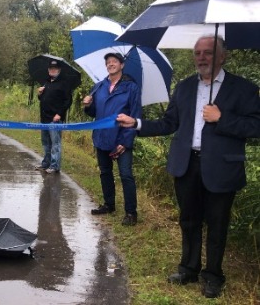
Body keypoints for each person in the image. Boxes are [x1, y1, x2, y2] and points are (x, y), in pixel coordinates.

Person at [117, 35, 260, 298]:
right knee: (189, 219)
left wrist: (222, 118)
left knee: (217, 223)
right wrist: (136, 123)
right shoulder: (183, 88)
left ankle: (213, 275)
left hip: (222, 168)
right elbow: (168, 123)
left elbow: (256, 126)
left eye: (207, 52)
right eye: (197, 53)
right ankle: (189, 268)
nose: (201, 58)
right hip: (187, 164)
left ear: (222, 56)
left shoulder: (243, 89)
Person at [82, 53, 142, 226]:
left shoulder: (131, 87)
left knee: (126, 175)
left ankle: (131, 213)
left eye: (114, 61)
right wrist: (88, 106)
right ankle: (109, 205)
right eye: (108, 62)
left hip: (122, 138)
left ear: (122, 65)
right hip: (102, 137)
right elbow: (95, 113)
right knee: (105, 172)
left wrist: (126, 141)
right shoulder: (99, 86)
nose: (111, 64)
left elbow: (136, 115)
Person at [35, 59, 73, 174]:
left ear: (59, 70)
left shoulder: (64, 83)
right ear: (48, 70)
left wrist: (59, 114)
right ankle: (45, 163)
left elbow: (68, 101)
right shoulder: (46, 82)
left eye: (55, 69)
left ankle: (55, 165)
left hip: (55, 119)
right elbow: (43, 99)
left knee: (55, 144)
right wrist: (40, 94)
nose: (52, 70)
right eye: (51, 68)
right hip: (44, 119)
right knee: (46, 143)